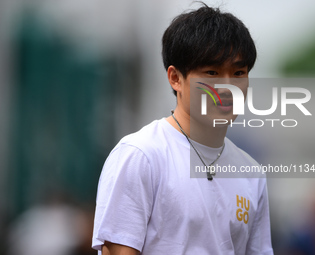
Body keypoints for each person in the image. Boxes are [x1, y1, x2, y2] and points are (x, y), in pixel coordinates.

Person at [92, 4, 274, 255]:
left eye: (239, 73)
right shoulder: (141, 155)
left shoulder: (251, 173)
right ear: (175, 78)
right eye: (212, 72)